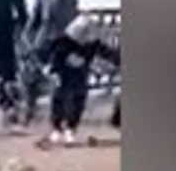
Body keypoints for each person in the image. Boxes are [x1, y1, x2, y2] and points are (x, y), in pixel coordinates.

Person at [24, 0, 84, 110]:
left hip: (63, 30)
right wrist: (31, 23)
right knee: (33, 63)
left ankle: (62, 107)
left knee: (63, 69)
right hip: (44, 29)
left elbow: (60, 1)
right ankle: (31, 104)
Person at [43, 10, 119, 144]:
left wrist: (118, 59)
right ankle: (56, 128)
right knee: (59, 97)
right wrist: (54, 72)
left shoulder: (93, 43)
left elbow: (106, 53)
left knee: (78, 99)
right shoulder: (64, 41)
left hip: (80, 74)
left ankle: (71, 128)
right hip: (63, 72)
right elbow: (54, 57)